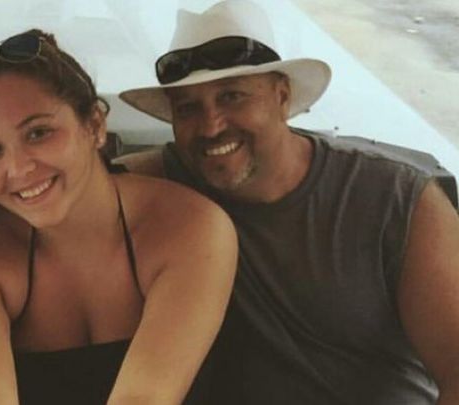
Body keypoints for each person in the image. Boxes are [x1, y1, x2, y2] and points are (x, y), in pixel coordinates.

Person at [116, 0, 459, 404]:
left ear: (282, 96)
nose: (210, 126)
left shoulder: (396, 198)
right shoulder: (168, 184)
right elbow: (86, 182)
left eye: (232, 97)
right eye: (188, 108)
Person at [0, 29, 238, 405]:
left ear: (94, 125)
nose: (18, 168)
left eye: (38, 133)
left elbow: (144, 398)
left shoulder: (190, 226)